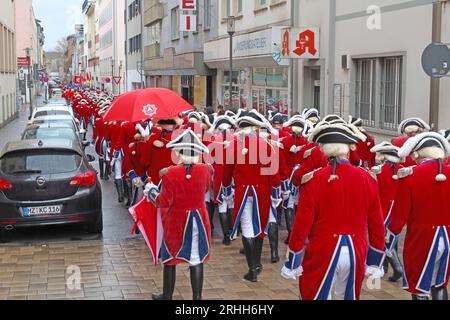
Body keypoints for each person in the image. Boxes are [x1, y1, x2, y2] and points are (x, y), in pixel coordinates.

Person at [281, 120, 386, 300]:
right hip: (356, 250)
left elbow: (302, 224)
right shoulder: (367, 179)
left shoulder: (314, 180)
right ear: (348, 149)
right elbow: (377, 223)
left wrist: (293, 260)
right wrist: (375, 259)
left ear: (324, 150)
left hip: (323, 250)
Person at [145, 129, 213, 301]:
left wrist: (151, 191)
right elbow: (205, 189)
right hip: (199, 218)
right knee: (196, 258)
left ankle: (167, 295)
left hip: (177, 220)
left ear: (179, 153)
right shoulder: (205, 170)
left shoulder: (171, 173)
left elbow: (163, 202)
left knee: (170, 257)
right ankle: (197, 297)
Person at [386, 132, 450, 300]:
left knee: (420, 286)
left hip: (422, 239)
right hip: (448, 237)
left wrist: (387, 243)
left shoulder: (410, 176)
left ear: (417, 153)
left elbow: (399, 217)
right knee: (440, 283)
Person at [221, 109, 282, 283]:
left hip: (242, 191)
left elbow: (227, 173)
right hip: (262, 191)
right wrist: (276, 192)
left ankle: (252, 268)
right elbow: (274, 174)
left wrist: (226, 191)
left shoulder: (233, 145)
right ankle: (256, 265)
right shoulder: (267, 146)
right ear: (255, 127)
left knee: (247, 227)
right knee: (260, 226)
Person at [370, 142, 404, 282]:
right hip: (400, 210)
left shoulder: (378, 170)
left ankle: (397, 268)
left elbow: (374, 192)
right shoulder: (404, 170)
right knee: (392, 237)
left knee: (383, 239)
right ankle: (383, 266)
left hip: (383, 210)